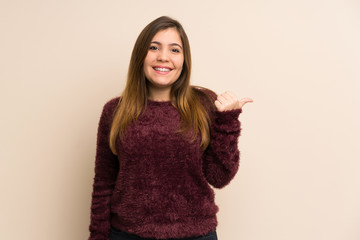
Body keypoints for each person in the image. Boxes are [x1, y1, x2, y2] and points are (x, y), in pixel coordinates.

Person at [88, 16, 253, 240]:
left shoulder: (204, 103)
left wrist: (228, 122)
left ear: (184, 60)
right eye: (153, 47)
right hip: (127, 235)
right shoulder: (115, 111)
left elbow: (219, 177)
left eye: (174, 50)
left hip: (196, 234)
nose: (163, 57)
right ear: (140, 56)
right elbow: (104, 183)